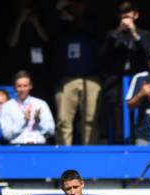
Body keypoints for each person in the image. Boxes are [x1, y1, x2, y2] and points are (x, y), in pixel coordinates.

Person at [100, 1, 150, 143]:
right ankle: (120, 144)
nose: (126, 20)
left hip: (138, 80)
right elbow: (103, 55)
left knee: (138, 111)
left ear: (136, 16)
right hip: (117, 82)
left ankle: (138, 141)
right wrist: (118, 31)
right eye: (123, 17)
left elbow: (148, 55)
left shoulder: (144, 34)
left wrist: (134, 33)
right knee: (118, 114)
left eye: (128, 16)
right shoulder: (112, 34)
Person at [52, 0, 101, 146]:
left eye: (79, 4)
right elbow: (51, 35)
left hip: (90, 78)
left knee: (90, 120)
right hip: (67, 79)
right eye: (72, 5)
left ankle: (89, 152)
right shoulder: (62, 23)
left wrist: (74, 19)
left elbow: (96, 34)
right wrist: (58, 11)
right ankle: (63, 152)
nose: (76, 7)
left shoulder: (92, 21)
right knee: (63, 120)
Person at [1, 71, 55, 144]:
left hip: (39, 146)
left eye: (25, 86)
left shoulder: (41, 104)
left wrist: (38, 121)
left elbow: (51, 131)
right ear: (14, 87)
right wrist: (23, 120)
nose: (22, 89)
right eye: (19, 86)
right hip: (17, 147)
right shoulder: (7, 106)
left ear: (30, 86)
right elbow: (6, 135)